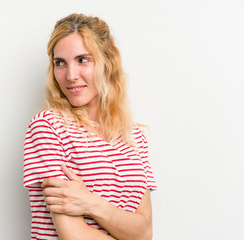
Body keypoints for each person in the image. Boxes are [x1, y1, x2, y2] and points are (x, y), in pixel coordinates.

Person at [23, 13, 157, 240]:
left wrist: (91, 203)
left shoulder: (135, 137)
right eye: (60, 63)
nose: (71, 75)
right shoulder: (48, 127)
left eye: (83, 60)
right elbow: (72, 235)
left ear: (108, 63)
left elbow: (144, 233)